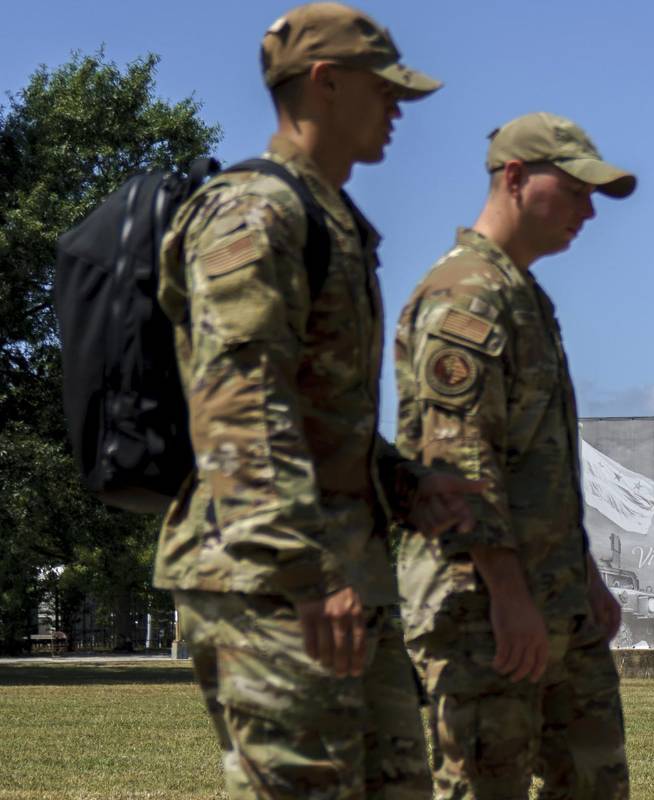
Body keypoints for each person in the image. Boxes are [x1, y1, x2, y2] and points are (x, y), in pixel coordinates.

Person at [153, 4, 473, 797]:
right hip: (273, 579)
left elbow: (315, 413)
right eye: (386, 89)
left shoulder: (329, 216)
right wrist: (301, 573)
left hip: (343, 573)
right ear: (324, 84)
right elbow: (241, 407)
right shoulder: (255, 212)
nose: (399, 110)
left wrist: (405, 484)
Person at [394, 111, 637, 799]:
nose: (590, 211)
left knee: (594, 784)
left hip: (557, 601)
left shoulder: (526, 297)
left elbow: (542, 466)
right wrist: (508, 594)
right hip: (484, 609)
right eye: (578, 190)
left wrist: (585, 576)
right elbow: (458, 466)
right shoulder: (465, 294)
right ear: (515, 178)